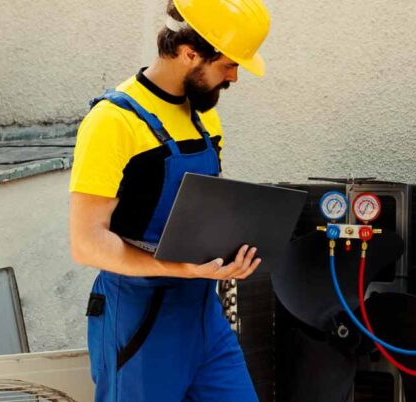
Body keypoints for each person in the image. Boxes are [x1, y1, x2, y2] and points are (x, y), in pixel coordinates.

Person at [68, 0, 270, 400]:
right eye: (228, 65)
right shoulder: (112, 122)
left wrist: (231, 252)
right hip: (139, 315)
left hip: (201, 314)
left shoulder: (204, 116)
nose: (234, 77)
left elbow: (205, 211)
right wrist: (181, 267)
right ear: (189, 52)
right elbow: (87, 243)